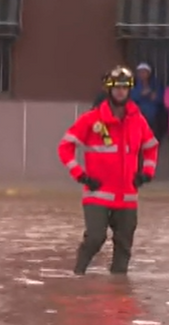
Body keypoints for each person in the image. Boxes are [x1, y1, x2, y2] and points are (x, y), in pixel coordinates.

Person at [58, 65, 158, 276]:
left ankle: (119, 289)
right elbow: (65, 147)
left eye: (124, 87)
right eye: (116, 87)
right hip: (97, 193)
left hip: (127, 195)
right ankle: (78, 275)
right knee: (95, 237)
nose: (120, 91)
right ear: (108, 90)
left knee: (124, 245)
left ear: (129, 90)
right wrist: (80, 175)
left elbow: (151, 147)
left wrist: (147, 173)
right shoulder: (91, 119)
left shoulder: (138, 121)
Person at [132, 63, 165, 140]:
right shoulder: (134, 85)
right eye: (140, 72)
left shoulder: (155, 84)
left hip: (153, 117)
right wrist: (141, 94)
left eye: (144, 72)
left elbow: (161, 98)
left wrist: (153, 96)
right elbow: (130, 98)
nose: (142, 74)